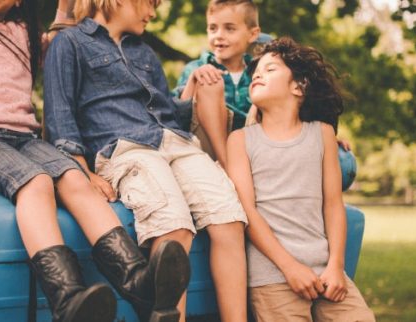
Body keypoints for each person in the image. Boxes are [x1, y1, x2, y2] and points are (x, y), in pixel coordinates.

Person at [0, 1, 190, 322]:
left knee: (76, 179)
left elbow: (59, 53)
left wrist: (64, 10)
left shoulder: (21, 32)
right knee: (36, 182)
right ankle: (68, 297)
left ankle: (138, 280)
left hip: (25, 137)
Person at [43, 0, 249, 321]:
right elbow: (60, 118)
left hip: (175, 142)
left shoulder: (144, 52)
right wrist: (83, 173)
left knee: (229, 218)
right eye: (149, 3)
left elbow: (166, 112)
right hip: (126, 148)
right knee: (173, 228)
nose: (152, 13)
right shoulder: (69, 43)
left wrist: (191, 88)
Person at [226, 37, 375, 321]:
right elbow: (248, 212)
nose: (258, 74)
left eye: (270, 70)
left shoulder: (322, 134)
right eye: (257, 71)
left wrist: (335, 266)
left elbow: (333, 205)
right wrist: (289, 267)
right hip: (272, 275)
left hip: (327, 271)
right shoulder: (240, 141)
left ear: (299, 86)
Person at [173, 0, 261, 169]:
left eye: (229, 28)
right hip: (208, 143)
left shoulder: (258, 71)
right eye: (213, 28)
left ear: (252, 34)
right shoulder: (195, 68)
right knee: (207, 81)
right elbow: (178, 118)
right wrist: (193, 83)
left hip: (249, 140)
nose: (219, 35)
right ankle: (228, 166)